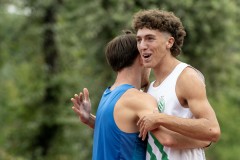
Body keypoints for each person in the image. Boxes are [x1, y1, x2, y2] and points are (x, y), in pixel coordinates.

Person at [71, 31, 210, 160]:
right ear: (140, 58)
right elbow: (167, 139)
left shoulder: (108, 94)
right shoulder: (139, 99)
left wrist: (90, 120)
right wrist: (204, 140)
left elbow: (119, 133)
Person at [132, 9, 221, 159]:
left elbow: (212, 130)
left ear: (169, 42)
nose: (142, 46)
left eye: (150, 38)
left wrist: (161, 118)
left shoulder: (186, 76)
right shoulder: (150, 87)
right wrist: (94, 120)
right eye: (139, 40)